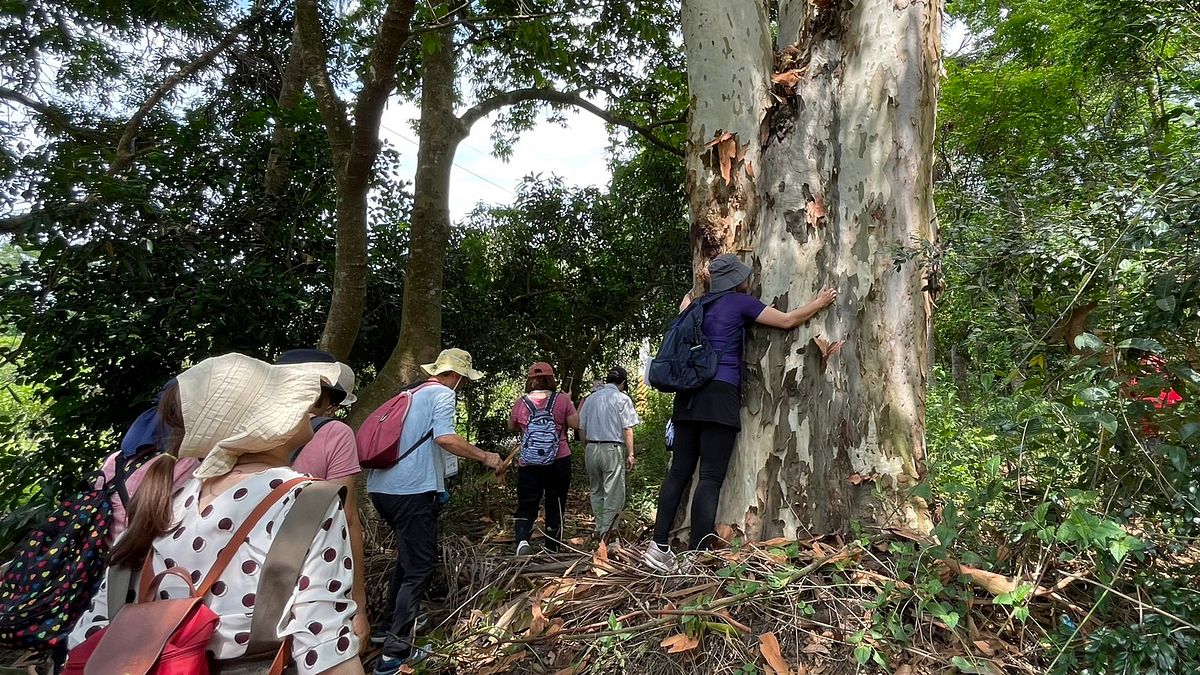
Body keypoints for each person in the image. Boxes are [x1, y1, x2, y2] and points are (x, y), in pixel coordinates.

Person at [68, 353, 364, 674]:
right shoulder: (307, 501)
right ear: (262, 421)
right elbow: (323, 646)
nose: (310, 404)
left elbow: (96, 627)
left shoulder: (163, 503)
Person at [644, 253, 837, 571]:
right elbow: (787, 321)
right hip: (719, 394)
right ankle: (697, 554)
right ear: (737, 281)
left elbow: (683, 312)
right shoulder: (739, 303)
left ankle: (658, 546)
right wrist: (821, 301)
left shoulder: (695, 305)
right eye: (745, 276)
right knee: (709, 477)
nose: (749, 280)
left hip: (687, 395)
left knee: (679, 473)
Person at [366, 348, 502, 675]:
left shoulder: (411, 393)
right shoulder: (442, 394)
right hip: (411, 492)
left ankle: (387, 628)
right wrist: (486, 456)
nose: (463, 386)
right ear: (455, 376)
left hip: (381, 490)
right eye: (464, 380)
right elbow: (446, 439)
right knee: (420, 568)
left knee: (409, 559)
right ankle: (394, 656)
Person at [274, 349, 371, 649]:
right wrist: (359, 606)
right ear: (324, 399)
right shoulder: (336, 434)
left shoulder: (241, 433)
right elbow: (348, 518)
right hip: (312, 580)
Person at [508, 362, 580, 556]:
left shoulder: (521, 402)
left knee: (527, 501)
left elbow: (511, 426)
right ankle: (552, 545)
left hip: (529, 462)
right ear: (551, 379)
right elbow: (575, 424)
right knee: (555, 501)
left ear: (530, 380)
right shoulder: (562, 400)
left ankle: (523, 540)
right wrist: (569, 403)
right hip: (559, 459)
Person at [578, 365, 641, 539]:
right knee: (613, 491)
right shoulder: (622, 399)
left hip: (591, 447)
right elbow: (627, 428)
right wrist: (630, 454)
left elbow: (581, 428)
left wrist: (587, 447)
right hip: (612, 448)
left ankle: (599, 527)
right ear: (622, 382)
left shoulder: (590, 399)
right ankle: (607, 531)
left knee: (596, 489)